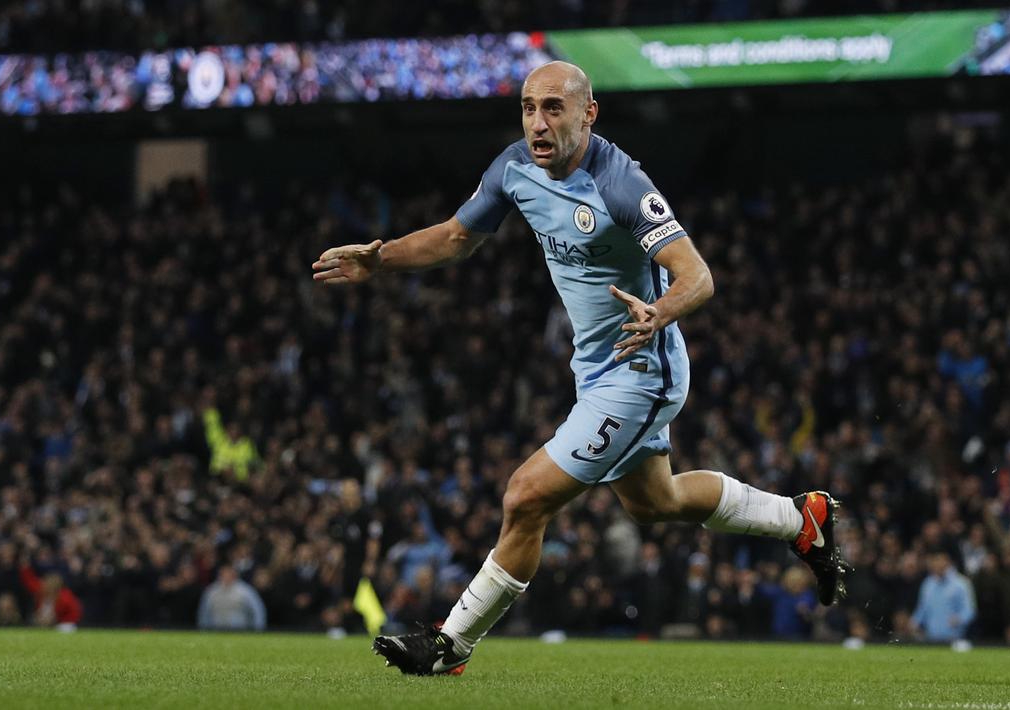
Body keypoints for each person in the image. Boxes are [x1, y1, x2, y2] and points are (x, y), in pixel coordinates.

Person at [312, 61, 847, 676]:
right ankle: (801, 518)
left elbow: (698, 275)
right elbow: (457, 238)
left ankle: (448, 646)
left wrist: (659, 312)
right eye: (528, 107)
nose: (537, 123)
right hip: (594, 369)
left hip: (640, 367)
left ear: (588, 114)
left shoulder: (620, 184)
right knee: (656, 503)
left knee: (526, 496)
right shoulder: (514, 168)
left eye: (553, 109)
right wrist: (379, 259)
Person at [910, 552, 976, 642]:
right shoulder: (928, 584)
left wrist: (959, 619)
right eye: (935, 563)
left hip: (955, 638)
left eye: (940, 562)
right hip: (931, 638)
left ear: (948, 563)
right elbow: (922, 608)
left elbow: (970, 611)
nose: (938, 566)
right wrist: (914, 622)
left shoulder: (961, 584)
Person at [197, 566, 267, 631]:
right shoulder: (211, 591)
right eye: (223, 575)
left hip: (240, 631)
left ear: (234, 575)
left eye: (229, 575)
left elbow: (257, 611)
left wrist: (258, 629)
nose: (226, 577)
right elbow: (204, 612)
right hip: (216, 630)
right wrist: (203, 629)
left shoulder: (246, 591)